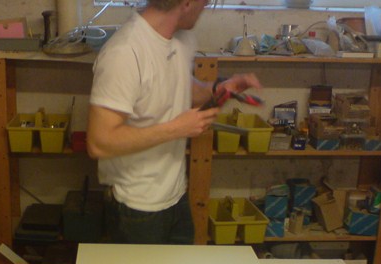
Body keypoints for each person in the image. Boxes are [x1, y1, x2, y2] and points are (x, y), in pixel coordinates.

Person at [87, 0, 262, 244]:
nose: (206, 8)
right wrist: (176, 129)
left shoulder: (181, 38)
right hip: (136, 207)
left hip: (176, 195)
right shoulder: (124, 52)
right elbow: (99, 142)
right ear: (187, 2)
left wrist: (218, 88)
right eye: (206, 3)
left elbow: (180, 85)